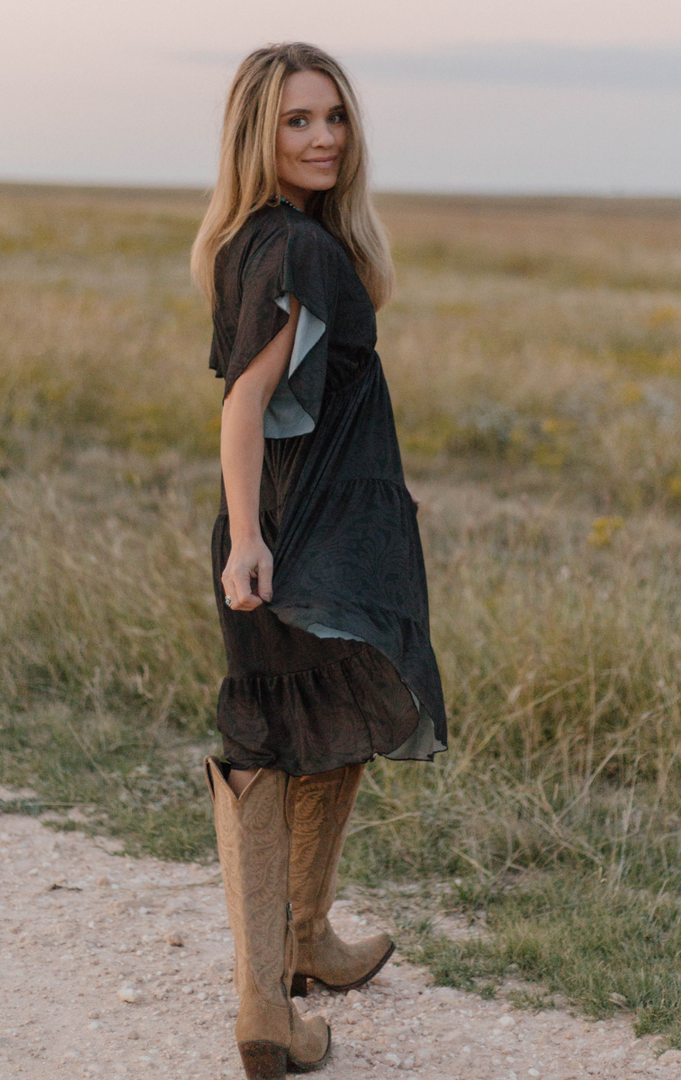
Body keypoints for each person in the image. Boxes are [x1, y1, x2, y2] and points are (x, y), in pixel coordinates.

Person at [191, 42, 446, 1080]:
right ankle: (266, 1003)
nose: (325, 137)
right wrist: (250, 539)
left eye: (334, 116)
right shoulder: (294, 246)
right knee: (272, 733)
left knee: (320, 713)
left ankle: (300, 945)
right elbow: (246, 402)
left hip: (319, 523)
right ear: (260, 132)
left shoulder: (261, 238)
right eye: (298, 120)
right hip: (303, 533)